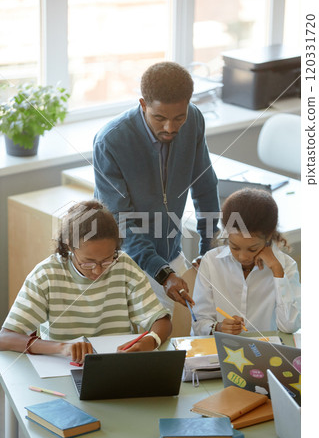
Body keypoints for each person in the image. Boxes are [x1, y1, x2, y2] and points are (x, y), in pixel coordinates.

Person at [93, 61, 219, 313]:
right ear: (143, 104)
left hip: (171, 255)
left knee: (167, 343)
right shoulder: (111, 141)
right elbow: (121, 221)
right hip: (124, 263)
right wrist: (163, 273)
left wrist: (207, 249)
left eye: (178, 118)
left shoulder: (194, 119)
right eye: (159, 118)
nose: (170, 128)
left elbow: (205, 186)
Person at [0, 201, 172, 363]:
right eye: (88, 262)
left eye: (106, 260)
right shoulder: (46, 275)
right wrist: (62, 348)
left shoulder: (123, 266)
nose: (98, 271)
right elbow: (6, 337)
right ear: (69, 246)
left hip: (116, 365)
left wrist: (151, 340)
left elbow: (161, 321)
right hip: (62, 366)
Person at [192, 188, 301, 335]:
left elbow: (290, 326)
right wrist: (218, 327)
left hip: (266, 353)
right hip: (218, 351)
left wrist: (277, 270)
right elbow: (198, 322)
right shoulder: (211, 262)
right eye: (235, 247)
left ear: (268, 236)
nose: (242, 257)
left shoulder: (286, 266)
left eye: (252, 249)